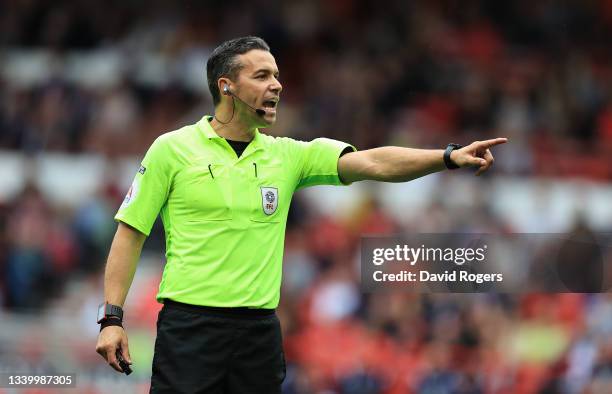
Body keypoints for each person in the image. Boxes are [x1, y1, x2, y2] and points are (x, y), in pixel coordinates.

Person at [95, 36, 507, 393]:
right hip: (189, 328)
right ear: (227, 86)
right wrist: (112, 318)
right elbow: (130, 233)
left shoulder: (287, 155)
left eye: (276, 75)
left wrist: (447, 157)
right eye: (261, 76)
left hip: (258, 334)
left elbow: (374, 163)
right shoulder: (172, 150)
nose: (276, 84)